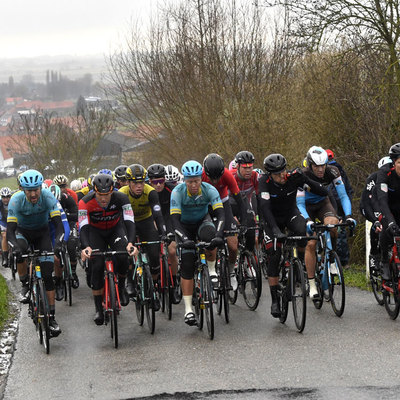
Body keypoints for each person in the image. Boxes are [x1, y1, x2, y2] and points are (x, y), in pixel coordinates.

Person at [259, 154, 328, 314]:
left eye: (283, 172)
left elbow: (322, 191)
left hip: (290, 214)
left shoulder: (292, 177)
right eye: (277, 174)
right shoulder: (264, 182)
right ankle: (275, 299)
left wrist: (305, 179)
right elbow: (265, 207)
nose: (282, 176)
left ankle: (299, 267)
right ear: (270, 175)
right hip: (271, 218)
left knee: (303, 231)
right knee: (274, 254)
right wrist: (276, 231)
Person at [7, 169, 64, 336]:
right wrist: (14, 246)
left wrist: (59, 243)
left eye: (36, 189)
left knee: (47, 276)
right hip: (22, 232)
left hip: (42, 233)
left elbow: (58, 225)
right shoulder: (15, 201)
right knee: (21, 251)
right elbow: (10, 231)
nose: (33, 194)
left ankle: (52, 318)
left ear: (41, 187)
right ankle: (25, 284)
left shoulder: (48, 197)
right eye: (29, 190)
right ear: (23, 190)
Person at [170, 160, 225, 326]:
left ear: (201, 179)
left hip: (202, 221)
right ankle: (188, 310)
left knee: (210, 237)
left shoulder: (210, 189)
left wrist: (219, 235)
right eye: (189, 181)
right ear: (184, 181)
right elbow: (174, 221)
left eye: (196, 181)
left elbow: (221, 214)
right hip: (184, 226)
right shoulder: (177, 192)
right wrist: (184, 239)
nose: (193, 185)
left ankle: (212, 270)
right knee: (186, 264)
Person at [297, 146, 356, 297]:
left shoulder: (333, 171)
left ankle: (330, 259)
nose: (320, 169)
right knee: (311, 242)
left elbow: (343, 196)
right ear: (310, 164)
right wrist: (308, 221)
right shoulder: (302, 175)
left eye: (323, 165)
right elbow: (299, 204)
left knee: (333, 225)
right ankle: (312, 285)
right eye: (316, 166)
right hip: (306, 206)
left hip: (323, 203)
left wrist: (348, 215)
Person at [79, 173, 136, 325]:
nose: (103, 199)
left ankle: (122, 287)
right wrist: (86, 246)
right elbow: (83, 228)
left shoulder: (121, 199)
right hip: (95, 232)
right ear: (94, 192)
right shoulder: (85, 202)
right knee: (96, 265)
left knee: (123, 256)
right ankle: (98, 308)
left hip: (115, 230)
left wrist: (131, 242)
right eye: (99, 195)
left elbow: (130, 222)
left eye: (107, 195)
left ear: (112, 191)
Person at [119, 164, 167, 310]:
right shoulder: (122, 194)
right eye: (135, 183)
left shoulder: (150, 191)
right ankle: (130, 281)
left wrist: (163, 233)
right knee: (126, 251)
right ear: (128, 182)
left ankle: (153, 289)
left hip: (146, 221)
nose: (139, 186)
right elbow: (119, 219)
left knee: (154, 254)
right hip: (127, 223)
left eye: (142, 182)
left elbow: (158, 214)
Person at [202, 153, 248, 290]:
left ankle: (231, 271)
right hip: (207, 206)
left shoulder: (227, 175)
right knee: (211, 238)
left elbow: (239, 200)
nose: (215, 181)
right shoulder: (201, 176)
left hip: (223, 204)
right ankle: (212, 270)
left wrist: (244, 221)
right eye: (212, 178)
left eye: (218, 178)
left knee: (233, 245)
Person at [147, 163, 180, 303]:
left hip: (168, 218)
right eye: (155, 182)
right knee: (153, 252)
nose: (159, 185)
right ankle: (154, 281)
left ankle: (174, 282)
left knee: (172, 250)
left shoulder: (172, 189)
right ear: (150, 181)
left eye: (161, 181)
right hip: (151, 219)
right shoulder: (147, 191)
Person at [360, 156, 392, 274]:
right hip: (371, 204)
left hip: (387, 205)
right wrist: (375, 219)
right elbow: (367, 202)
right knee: (378, 224)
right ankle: (374, 254)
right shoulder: (373, 178)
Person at [326, 149, 354, 268]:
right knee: (340, 232)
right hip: (340, 204)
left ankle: (336, 260)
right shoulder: (340, 168)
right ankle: (343, 261)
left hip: (332, 205)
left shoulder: (334, 171)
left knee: (335, 232)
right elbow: (348, 191)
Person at [376, 143, 400, 280]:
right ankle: (384, 260)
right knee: (386, 227)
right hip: (387, 208)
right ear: (393, 163)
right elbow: (382, 200)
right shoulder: (385, 173)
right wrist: (390, 221)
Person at [230, 151, 259, 251]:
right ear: (238, 167)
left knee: (251, 228)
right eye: (245, 168)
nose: (248, 171)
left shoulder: (255, 176)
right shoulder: (231, 176)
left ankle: (250, 255)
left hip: (245, 204)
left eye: (250, 167)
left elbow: (259, 198)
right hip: (230, 204)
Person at [0, 187, 12, 268]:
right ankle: (5, 258)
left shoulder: (13, 202)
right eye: (3, 197)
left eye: (7, 197)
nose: (6, 199)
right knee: (4, 235)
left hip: (12, 220)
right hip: (3, 221)